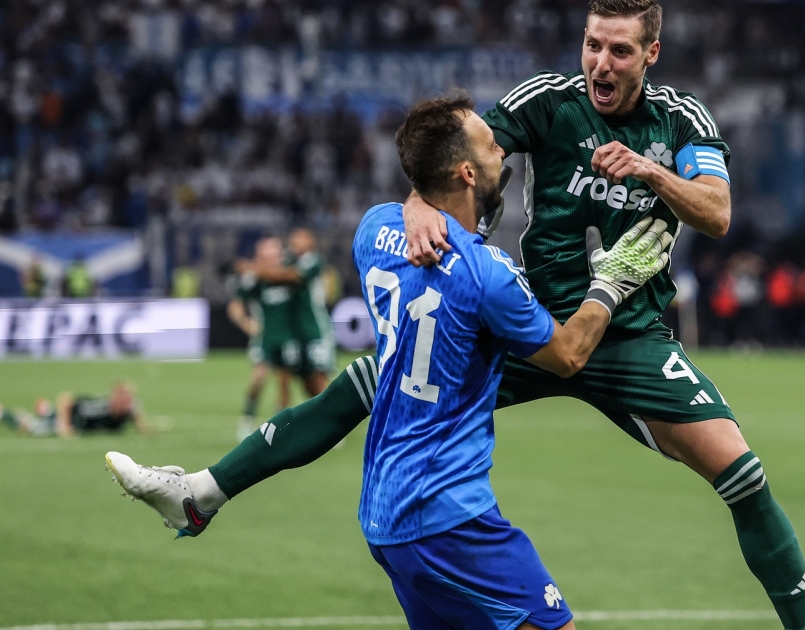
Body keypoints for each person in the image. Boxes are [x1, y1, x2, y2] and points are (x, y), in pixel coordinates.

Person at [105, 93, 669, 630]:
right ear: (466, 173)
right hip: (449, 516)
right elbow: (568, 355)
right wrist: (611, 284)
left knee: (365, 378)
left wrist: (434, 206)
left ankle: (204, 491)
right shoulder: (489, 275)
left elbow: (425, 220)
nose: (503, 148)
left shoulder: (374, 230)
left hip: (385, 514)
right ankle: (202, 492)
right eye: (490, 144)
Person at [401, 2, 805, 627]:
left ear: (651, 54)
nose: (601, 62)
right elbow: (460, 157)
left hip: (629, 337)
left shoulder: (680, 120)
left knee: (745, 476)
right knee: (376, 381)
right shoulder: (549, 101)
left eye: (620, 50)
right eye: (593, 45)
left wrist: (651, 170)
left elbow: (718, 212)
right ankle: (231, 481)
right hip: (536, 327)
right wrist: (415, 202)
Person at [236, 228, 336, 398]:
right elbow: (275, 268)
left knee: (319, 377)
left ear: (310, 242)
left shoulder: (313, 260)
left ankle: (335, 410)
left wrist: (252, 268)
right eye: (294, 240)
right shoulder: (289, 259)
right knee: (306, 383)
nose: (295, 244)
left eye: (301, 240)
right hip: (297, 333)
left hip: (315, 329)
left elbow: (291, 276)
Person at [227, 236, 298, 441]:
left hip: (287, 337)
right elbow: (235, 306)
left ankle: (280, 427)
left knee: (284, 384)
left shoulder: (288, 275)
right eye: (267, 255)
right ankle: (247, 420)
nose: (272, 259)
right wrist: (247, 323)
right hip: (265, 338)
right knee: (258, 378)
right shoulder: (254, 280)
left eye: (274, 254)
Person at [0, 381, 145, 437]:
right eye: (124, 398)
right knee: (34, 428)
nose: (128, 402)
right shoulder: (100, 407)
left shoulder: (127, 411)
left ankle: (46, 409)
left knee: (46, 419)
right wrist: (64, 426)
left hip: (73, 423)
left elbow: (138, 419)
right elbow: (66, 400)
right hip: (68, 419)